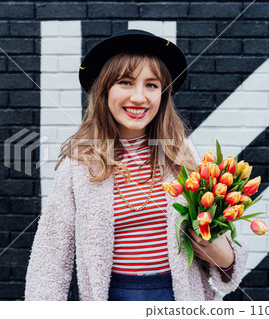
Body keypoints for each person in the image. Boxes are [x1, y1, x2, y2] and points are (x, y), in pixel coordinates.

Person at [24, 30, 248, 301]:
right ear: (104, 90)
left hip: (180, 298)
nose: (140, 97)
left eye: (152, 85)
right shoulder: (79, 164)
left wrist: (225, 257)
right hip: (113, 298)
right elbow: (50, 257)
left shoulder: (184, 154)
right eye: (126, 82)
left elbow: (223, 254)